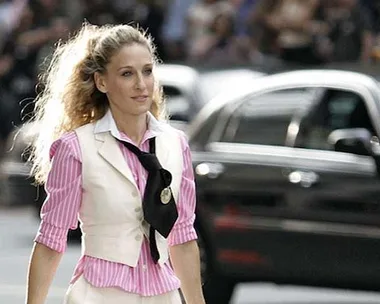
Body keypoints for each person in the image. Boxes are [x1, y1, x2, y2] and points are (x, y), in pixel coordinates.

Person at [25, 23, 205, 304]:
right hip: (98, 294)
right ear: (102, 82)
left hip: (164, 296)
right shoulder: (76, 148)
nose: (141, 84)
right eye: (126, 74)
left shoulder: (176, 144)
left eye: (147, 71)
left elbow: (182, 237)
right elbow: (51, 239)